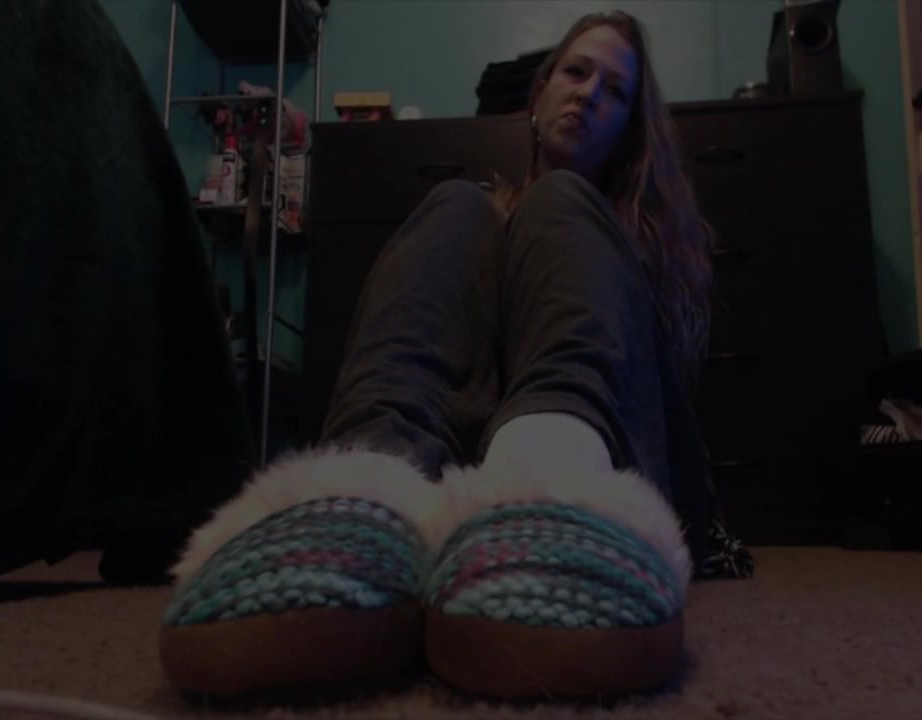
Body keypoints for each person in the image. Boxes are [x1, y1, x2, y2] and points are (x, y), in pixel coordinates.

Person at [160, 10, 723, 701]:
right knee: (457, 203)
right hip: (466, 453)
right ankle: (373, 480)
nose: (588, 95)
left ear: (632, 126)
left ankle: (556, 472)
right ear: (540, 91)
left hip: (614, 455)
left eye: (615, 91)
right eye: (577, 73)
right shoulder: (482, 226)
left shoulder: (646, 238)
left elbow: (656, 400)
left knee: (559, 203)